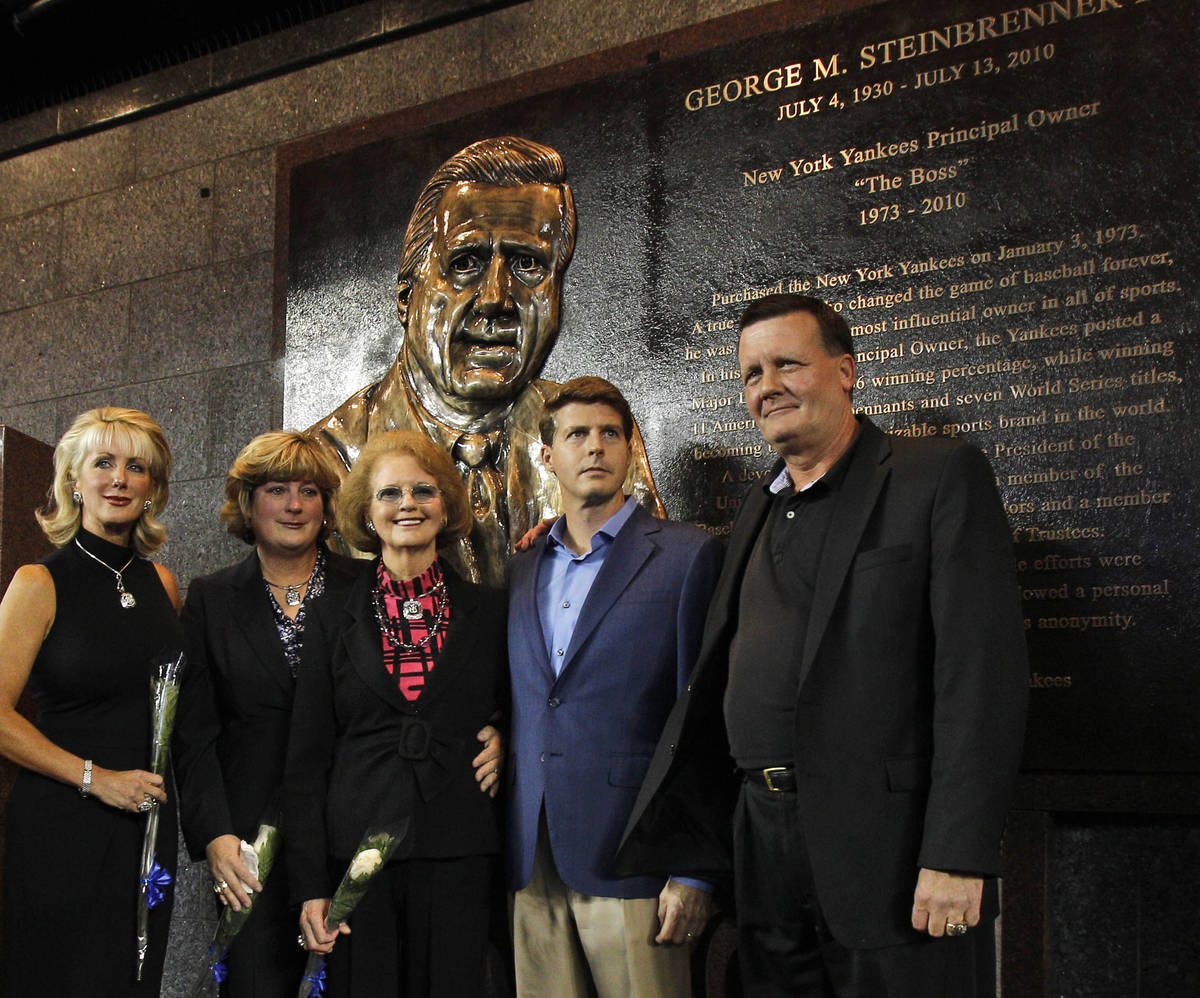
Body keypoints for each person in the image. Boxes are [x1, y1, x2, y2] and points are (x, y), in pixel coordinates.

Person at [619, 294, 1029, 997]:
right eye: (751, 373)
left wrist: (959, 854)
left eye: (787, 364)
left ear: (845, 371)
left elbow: (981, 677)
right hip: (763, 845)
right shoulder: (758, 505)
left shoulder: (935, 476)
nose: (766, 386)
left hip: (890, 852)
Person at [307, 135, 662, 586]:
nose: (496, 298)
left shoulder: (596, 438)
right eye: (465, 263)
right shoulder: (326, 466)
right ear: (406, 298)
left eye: (528, 265)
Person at [506, 377, 724, 998]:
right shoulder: (520, 568)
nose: (595, 447)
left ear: (630, 448)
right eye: (577, 435)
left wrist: (696, 871)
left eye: (610, 433)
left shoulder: (688, 557)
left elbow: (704, 722)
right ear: (548, 456)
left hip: (637, 857)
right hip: (532, 856)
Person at [286, 430, 507, 996]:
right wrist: (310, 882)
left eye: (423, 490)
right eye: (389, 494)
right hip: (357, 854)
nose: (407, 503)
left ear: (447, 505)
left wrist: (501, 732)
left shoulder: (489, 611)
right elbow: (306, 757)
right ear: (366, 513)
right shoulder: (330, 615)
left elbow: (519, 700)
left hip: (457, 846)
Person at [172, 431, 371, 996]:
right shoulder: (211, 598)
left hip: (347, 830)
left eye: (310, 491)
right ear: (247, 503)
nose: (294, 505)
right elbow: (195, 734)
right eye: (277, 489)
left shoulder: (365, 589)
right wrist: (214, 835)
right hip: (249, 848)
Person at [0, 407, 184, 996]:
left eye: (137, 466)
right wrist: (93, 779)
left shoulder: (164, 584)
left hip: (147, 825)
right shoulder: (38, 582)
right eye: (102, 463)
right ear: (73, 481)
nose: (120, 478)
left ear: (152, 487)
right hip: (62, 823)